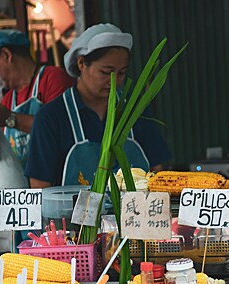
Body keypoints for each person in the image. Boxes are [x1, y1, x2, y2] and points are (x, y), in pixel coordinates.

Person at [26, 23, 170, 188]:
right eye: (106, 72)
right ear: (81, 63)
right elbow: (39, 187)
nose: (114, 81)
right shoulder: (51, 118)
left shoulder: (135, 111)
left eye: (121, 72)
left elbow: (158, 171)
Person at [0, 29, 75, 169]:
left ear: (6, 55)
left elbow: (60, 130)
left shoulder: (53, 79)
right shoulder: (7, 100)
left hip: (56, 184)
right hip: (22, 187)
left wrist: (10, 118)